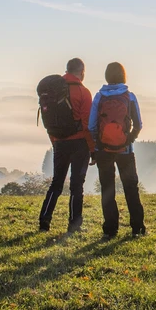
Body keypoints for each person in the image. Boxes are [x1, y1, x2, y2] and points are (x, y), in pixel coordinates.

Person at [88, 61, 146, 239]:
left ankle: (110, 229)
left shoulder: (99, 97)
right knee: (131, 188)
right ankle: (137, 228)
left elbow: (91, 126)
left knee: (107, 189)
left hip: (103, 150)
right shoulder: (130, 96)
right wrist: (128, 140)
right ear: (123, 76)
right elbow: (139, 124)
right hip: (125, 150)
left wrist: (99, 144)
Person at [38, 58, 94, 233]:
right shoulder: (83, 92)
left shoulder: (53, 90)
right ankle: (74, 224)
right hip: (79, 143)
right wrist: (93, 148)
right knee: (77, 185)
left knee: (56, 183)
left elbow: (49, 120)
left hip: (59, 142)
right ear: (82, 71)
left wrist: (55, 141)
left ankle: (44, 221)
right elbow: (87, 124)